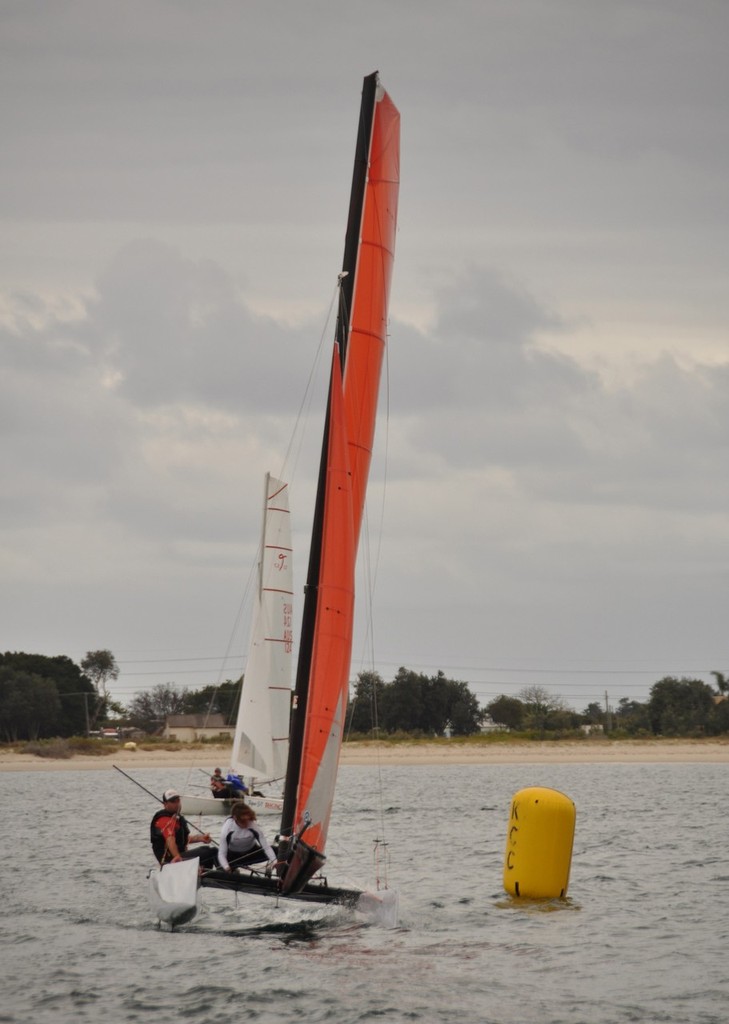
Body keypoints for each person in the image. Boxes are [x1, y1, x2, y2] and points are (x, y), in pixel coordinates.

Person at [150, 790, 218, 868]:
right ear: (165, 804)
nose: (177, 804)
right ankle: (227, 874)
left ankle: (206, 876)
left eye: (178, 800)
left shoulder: (177, 818)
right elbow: (170, 840)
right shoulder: (164, 820)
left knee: (206, 851)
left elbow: (182, 839)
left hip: (178, 857)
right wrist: (177, 858)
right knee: (212, 851)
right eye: (173, 802)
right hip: (171, 861)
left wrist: (201, 838)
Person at [218, 801, 277, 873]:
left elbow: (266, 847)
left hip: (251, 854)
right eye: (243, 821)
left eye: (248, 819)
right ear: (235, 818)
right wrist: (226, 867)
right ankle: (232, 871)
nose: (246, 823)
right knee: (214, 856)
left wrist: (275, 861)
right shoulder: (227, 829)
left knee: (279, 850)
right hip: (233, 857)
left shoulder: (253, 826)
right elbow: (222, 853)